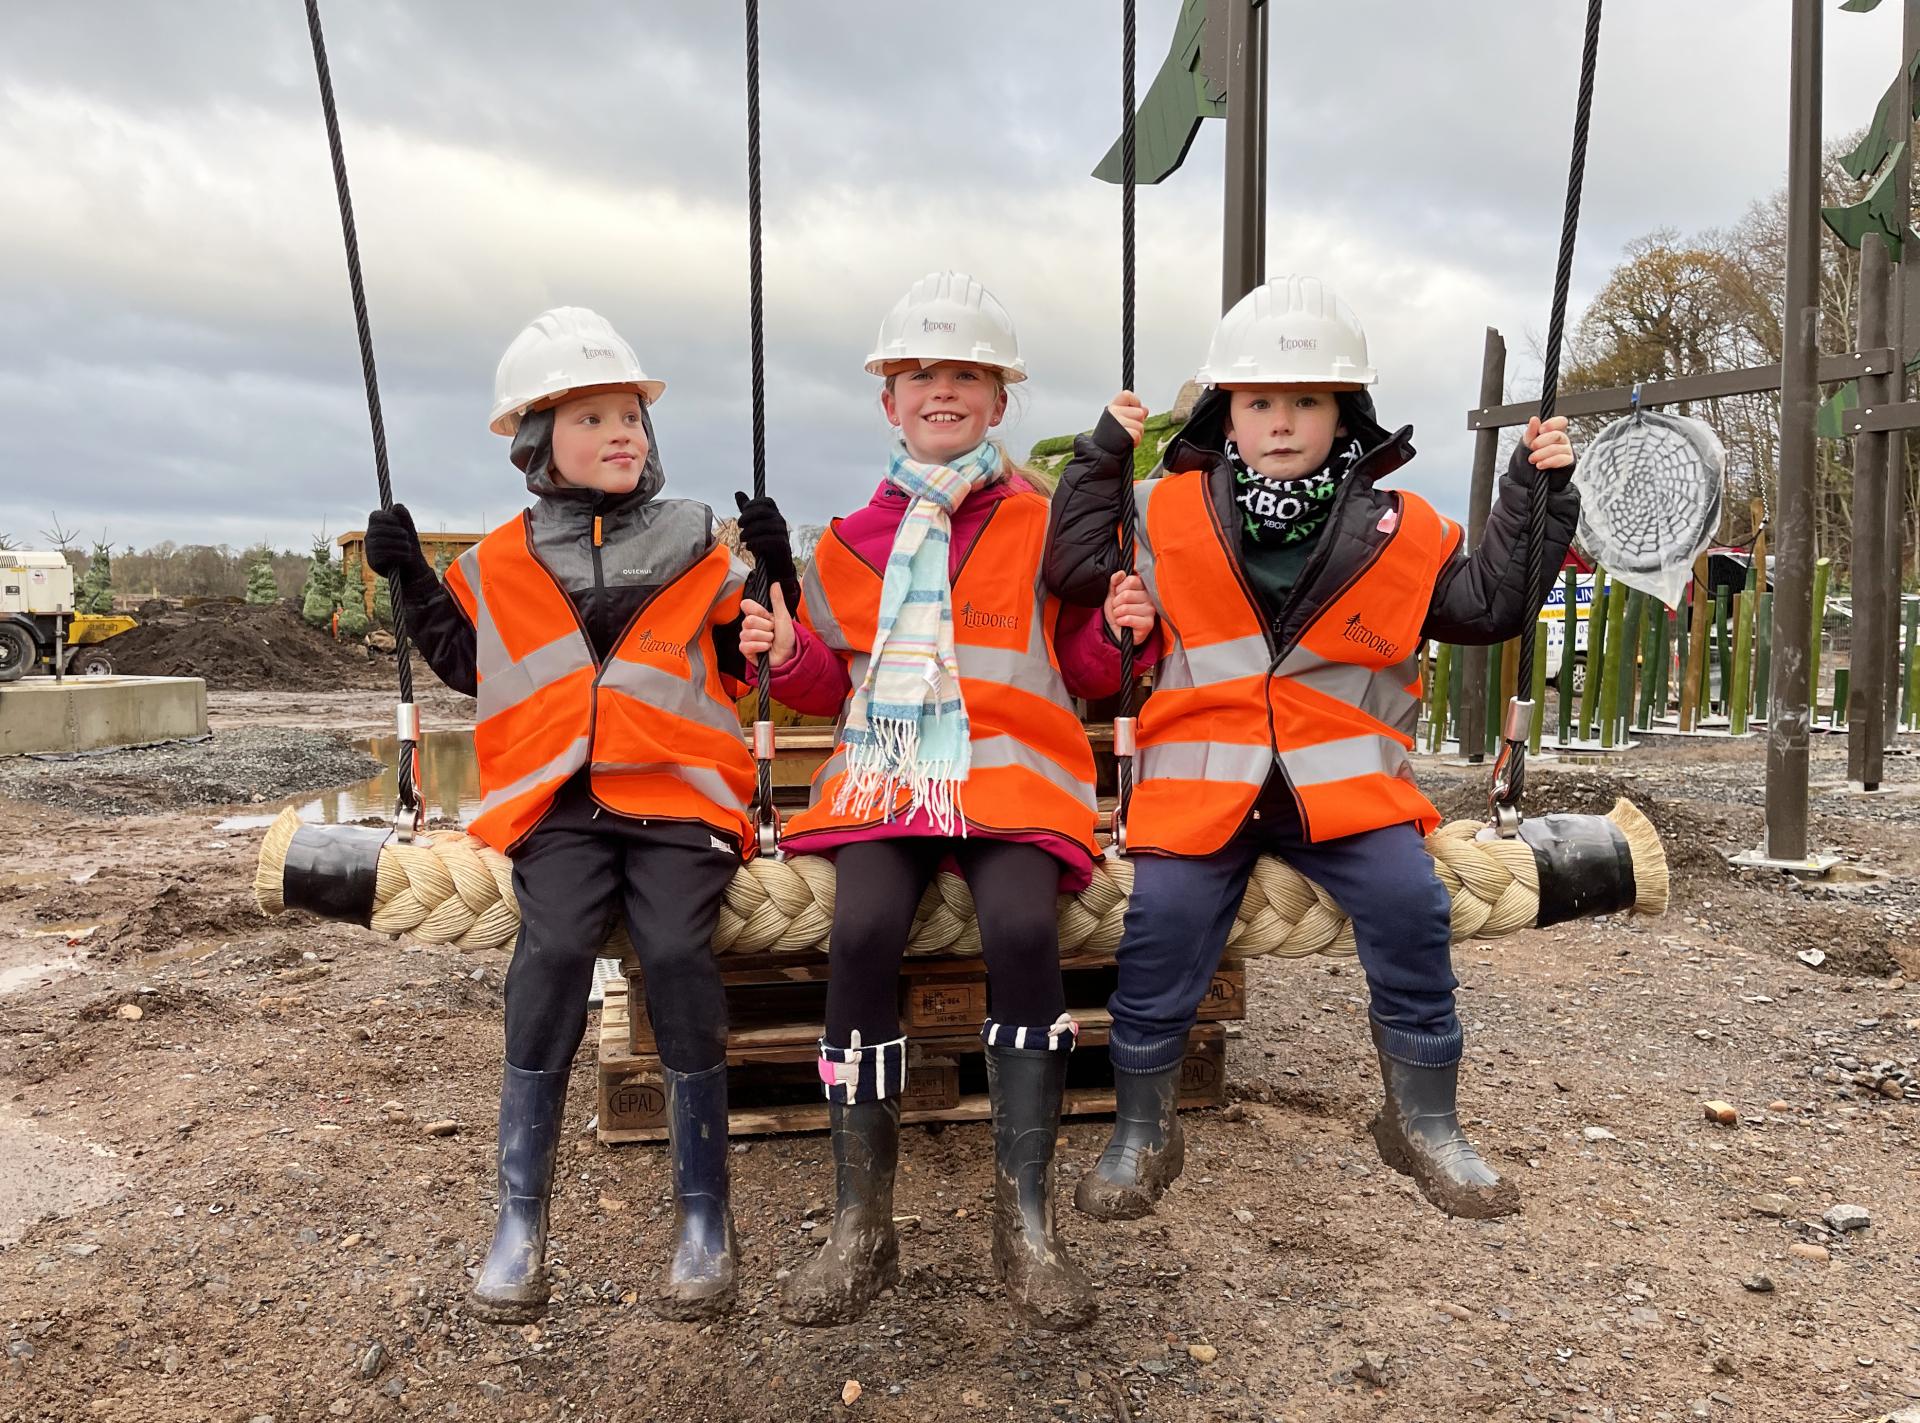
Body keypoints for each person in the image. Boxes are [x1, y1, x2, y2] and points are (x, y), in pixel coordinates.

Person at [1042, 274, 1577, 1222]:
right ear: (1227, 415)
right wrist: (1100, 454)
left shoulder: (1406, 530)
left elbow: (1493, 604)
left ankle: (1424, 1122)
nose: (1281, 421)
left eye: (1305, 400)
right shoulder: (1161, 512)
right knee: (1158, 927)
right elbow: (1074, 566)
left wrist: (1535, 492)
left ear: (1344, 415)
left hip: (1345, 794)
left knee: (1413, 907)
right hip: (1202, 790)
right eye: (1259, 402)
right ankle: (1143, 1128)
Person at [734, 272, 1155, 1331]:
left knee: (1023, 926)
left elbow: (1088, 670)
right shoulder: (845, 542)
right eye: (921, 373)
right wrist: (785, 654)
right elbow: (831, 684)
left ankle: (1027, 1225)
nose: (943, 391)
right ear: (888, 400)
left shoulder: (1053, 525)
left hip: (1011, 779)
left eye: (966, 374)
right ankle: (858, 1225)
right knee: (863, 929)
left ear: (999, 401)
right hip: (885, 778)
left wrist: (1121, 628)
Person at [364, 307, 795, 1322]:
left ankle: (704, 1219)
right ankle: (521, 1223)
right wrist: (413, 581)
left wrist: (777, 574)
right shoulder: (505, 559)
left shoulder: (698, 538)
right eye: (595, 416)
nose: (622, 434)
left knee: (681, 954)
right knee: (552, 948)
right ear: (536, 441)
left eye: (632, 418)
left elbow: (752, 658)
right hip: (558, 805)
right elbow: (474, 665)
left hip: (681, 798)